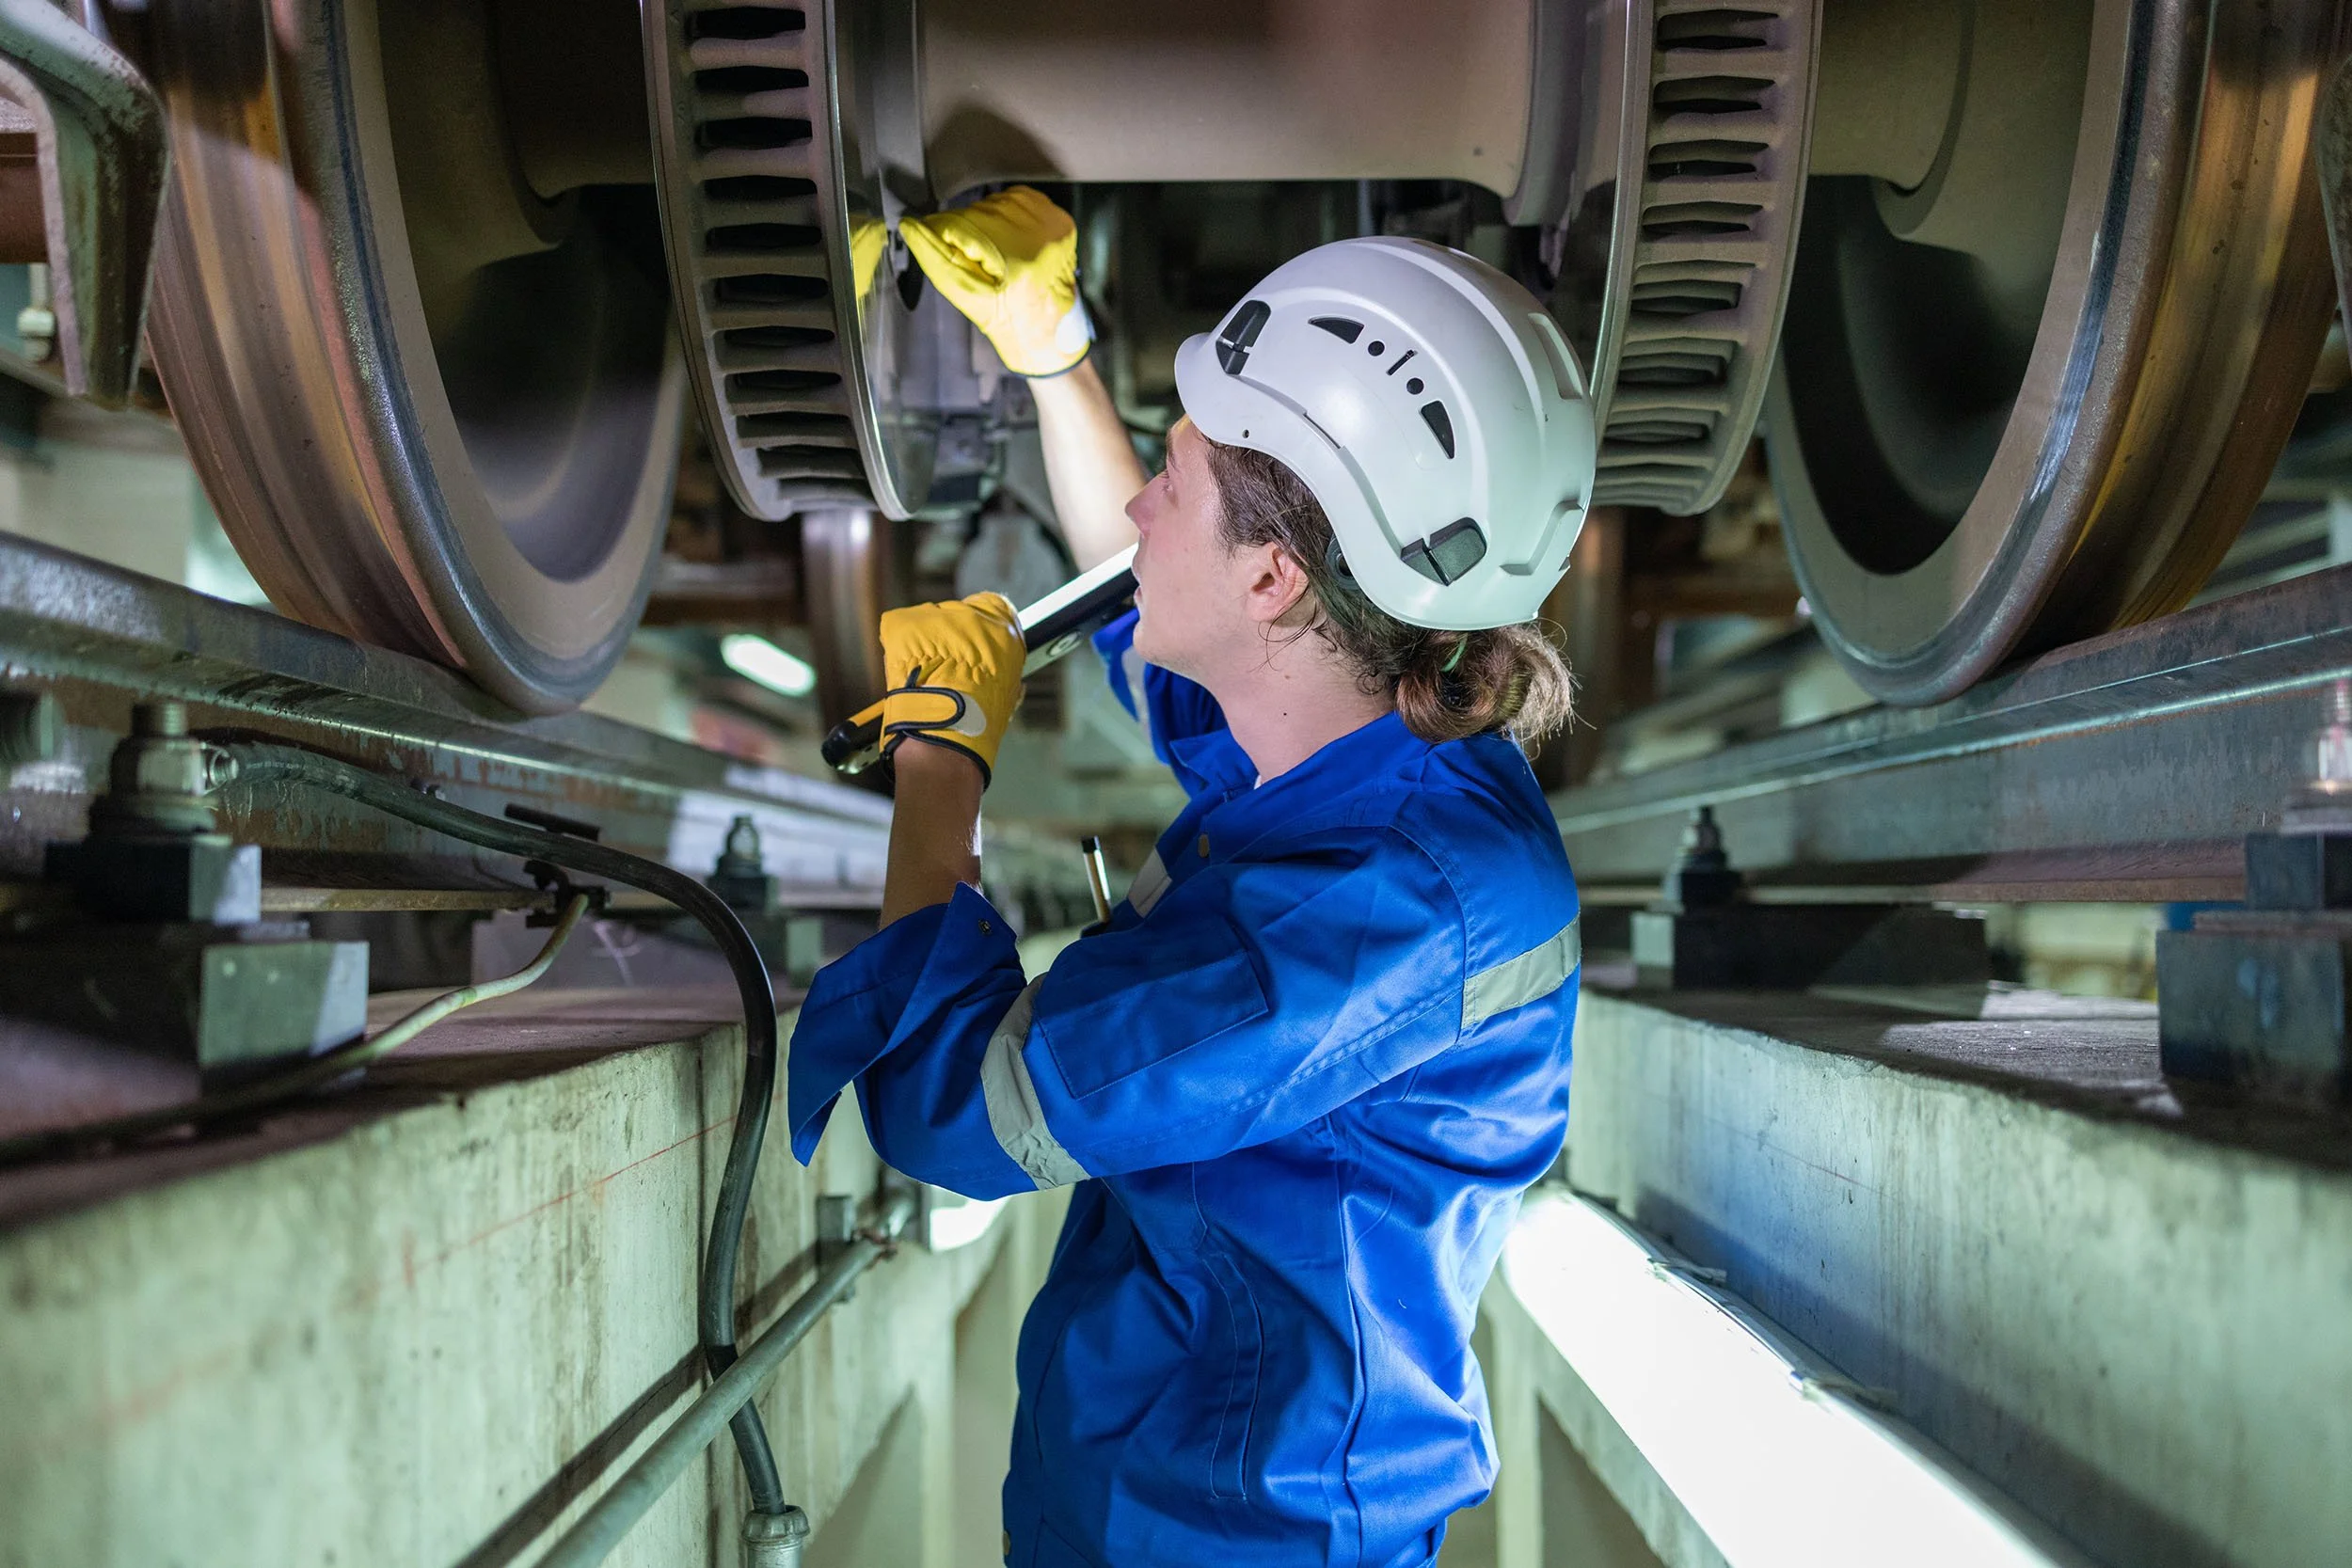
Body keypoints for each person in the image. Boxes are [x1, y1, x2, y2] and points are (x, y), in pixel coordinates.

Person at [787, 187, 1597, 1568]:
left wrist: (941, 769)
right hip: (1184, 1497)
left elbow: (953, 1101)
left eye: (1173, 470)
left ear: (1281, 576)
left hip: (1226, 1536)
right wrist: (1055, 359)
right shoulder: (1368, 737)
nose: (1142, 501)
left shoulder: (1377, 920)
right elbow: (1162, 595)